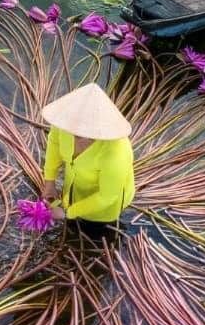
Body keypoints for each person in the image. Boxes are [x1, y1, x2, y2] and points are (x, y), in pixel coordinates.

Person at [38, 83, 136, 225]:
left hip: (103, 207)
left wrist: (68, 213)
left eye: (85, 133)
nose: (76, 136)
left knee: (95, 231)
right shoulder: (66, 123)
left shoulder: (116, 152)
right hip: (75, 188)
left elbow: (107, 197)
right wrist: (50, 182)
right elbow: (54, 145)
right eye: (75, 131)